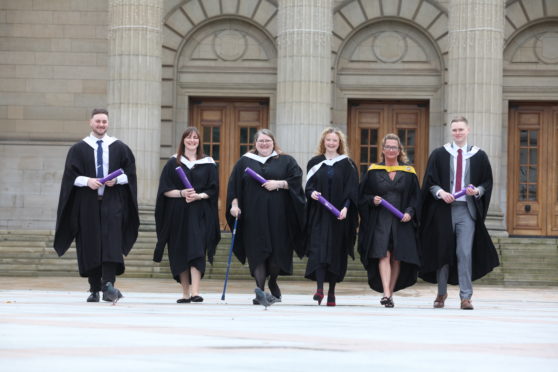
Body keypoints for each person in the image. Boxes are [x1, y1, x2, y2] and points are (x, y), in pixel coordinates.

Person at [54, 108, 139, 303]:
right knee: (90, 244)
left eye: (104, 122)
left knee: (111, 244)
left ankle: (108, 284)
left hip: (112, 204)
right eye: (98, 121)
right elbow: (70, 178)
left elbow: (130, 175)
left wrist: (116, 181)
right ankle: (94, 288)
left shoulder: (120, 148)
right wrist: (87, 181)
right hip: (88, 204)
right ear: (90, 123)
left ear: (108, 124)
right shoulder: (78, 149)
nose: (101, 125)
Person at [420, 116, 499, 310]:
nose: (458, 133)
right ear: (451, 131)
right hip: (444, 211)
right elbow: (430, 181)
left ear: (468, 130)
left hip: (467, 210)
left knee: (464, 252)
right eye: (455, 130)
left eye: (461, 129)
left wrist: (477, 191)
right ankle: (441, 293)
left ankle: (466, 297)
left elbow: (486, 182)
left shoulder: (479, 155)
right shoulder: (439, 154)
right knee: (443, 252)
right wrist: (440, 193)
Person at [226, 129, 305, 306]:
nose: (264, 144)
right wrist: (234, 205)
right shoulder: (244, 162)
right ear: (255, 143)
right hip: (253, 218)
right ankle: (260, 291)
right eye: (260, 141)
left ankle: (273, 281)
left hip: (279, 217)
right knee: (257, 253)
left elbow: (296, 182)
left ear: (273, 142)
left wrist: (279, 183)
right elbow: (234, 187)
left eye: (267, 140)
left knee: (277, 254)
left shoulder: (286, 160)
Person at [154, 127, 220, 303]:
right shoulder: (172, 163)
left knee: (197, 250)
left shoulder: (208, 163)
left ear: (199, 141)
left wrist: (199, 196)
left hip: (200, 213)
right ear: (183, 140)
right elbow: (164, 191)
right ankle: (185, 292)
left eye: (195, 138)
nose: (192, 141)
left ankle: (196, 292)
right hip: (178, 214)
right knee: (179, 250)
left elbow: (213, 190)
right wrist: (182, 193)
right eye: (189, 138)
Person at [358, 133, 421, 308]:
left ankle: (390, 293)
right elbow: (362, 196)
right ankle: (386, 293)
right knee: (383, 254)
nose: (391, 150)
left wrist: (410, 211)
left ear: (400, 150)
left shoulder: (408, 172)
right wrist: (372, 200)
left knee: (396, 257)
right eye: (388, 147)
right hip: (380, 220)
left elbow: (416, 197)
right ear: (383, 149)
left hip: (402, 220)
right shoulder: (373, 171)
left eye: (395, 147)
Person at [304, 128, 358, 306]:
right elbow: (308, 186)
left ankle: (332, 293)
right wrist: (311, 193)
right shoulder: (315, 162)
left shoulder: (348, 164)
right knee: (319, 251)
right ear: (323, 142)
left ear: (339, 143)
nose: (331, 143)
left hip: (339, 217)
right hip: (319, 215)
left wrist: (346, 208)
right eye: (328, 140)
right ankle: (320, 290)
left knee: (335, 252)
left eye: (335, 140)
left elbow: (352, 190)